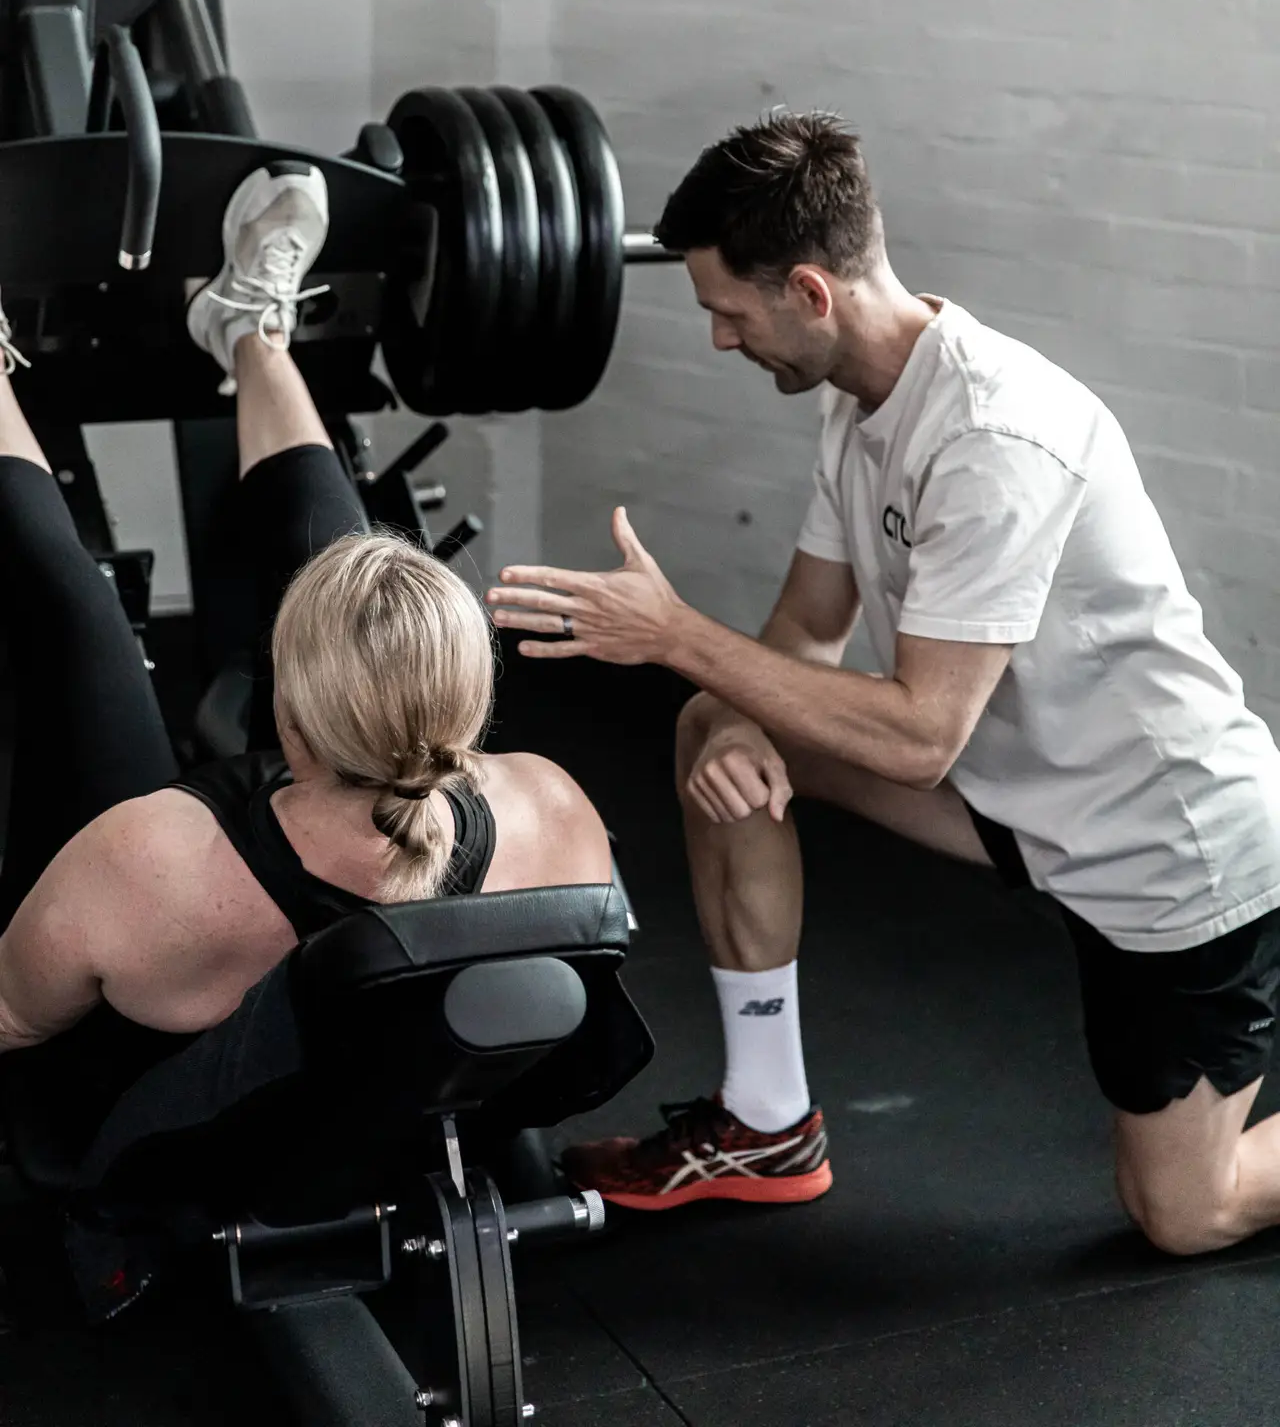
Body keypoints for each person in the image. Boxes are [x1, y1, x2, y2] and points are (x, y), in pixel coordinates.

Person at [488, 110, 1280, 1258]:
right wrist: (730, 711)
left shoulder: (996, 437)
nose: (716, 338)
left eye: (726, 312)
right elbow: (807, 628)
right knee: (717, 722)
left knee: (1181, 1214)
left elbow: (916, 736)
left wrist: (671, 635)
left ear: (809, 293)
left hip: (1164, 845)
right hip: (1015, 793)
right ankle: (765, 1121)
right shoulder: (859, 404)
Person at [0, 164, 610, 1134]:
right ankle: (247, 325)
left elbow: (12, 1023)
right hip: (393, 1131)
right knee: (350, 579)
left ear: (285, 712)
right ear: (469, 697)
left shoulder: (145, 861)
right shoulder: (550, 807)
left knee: (75, 629)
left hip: (171, 1152)